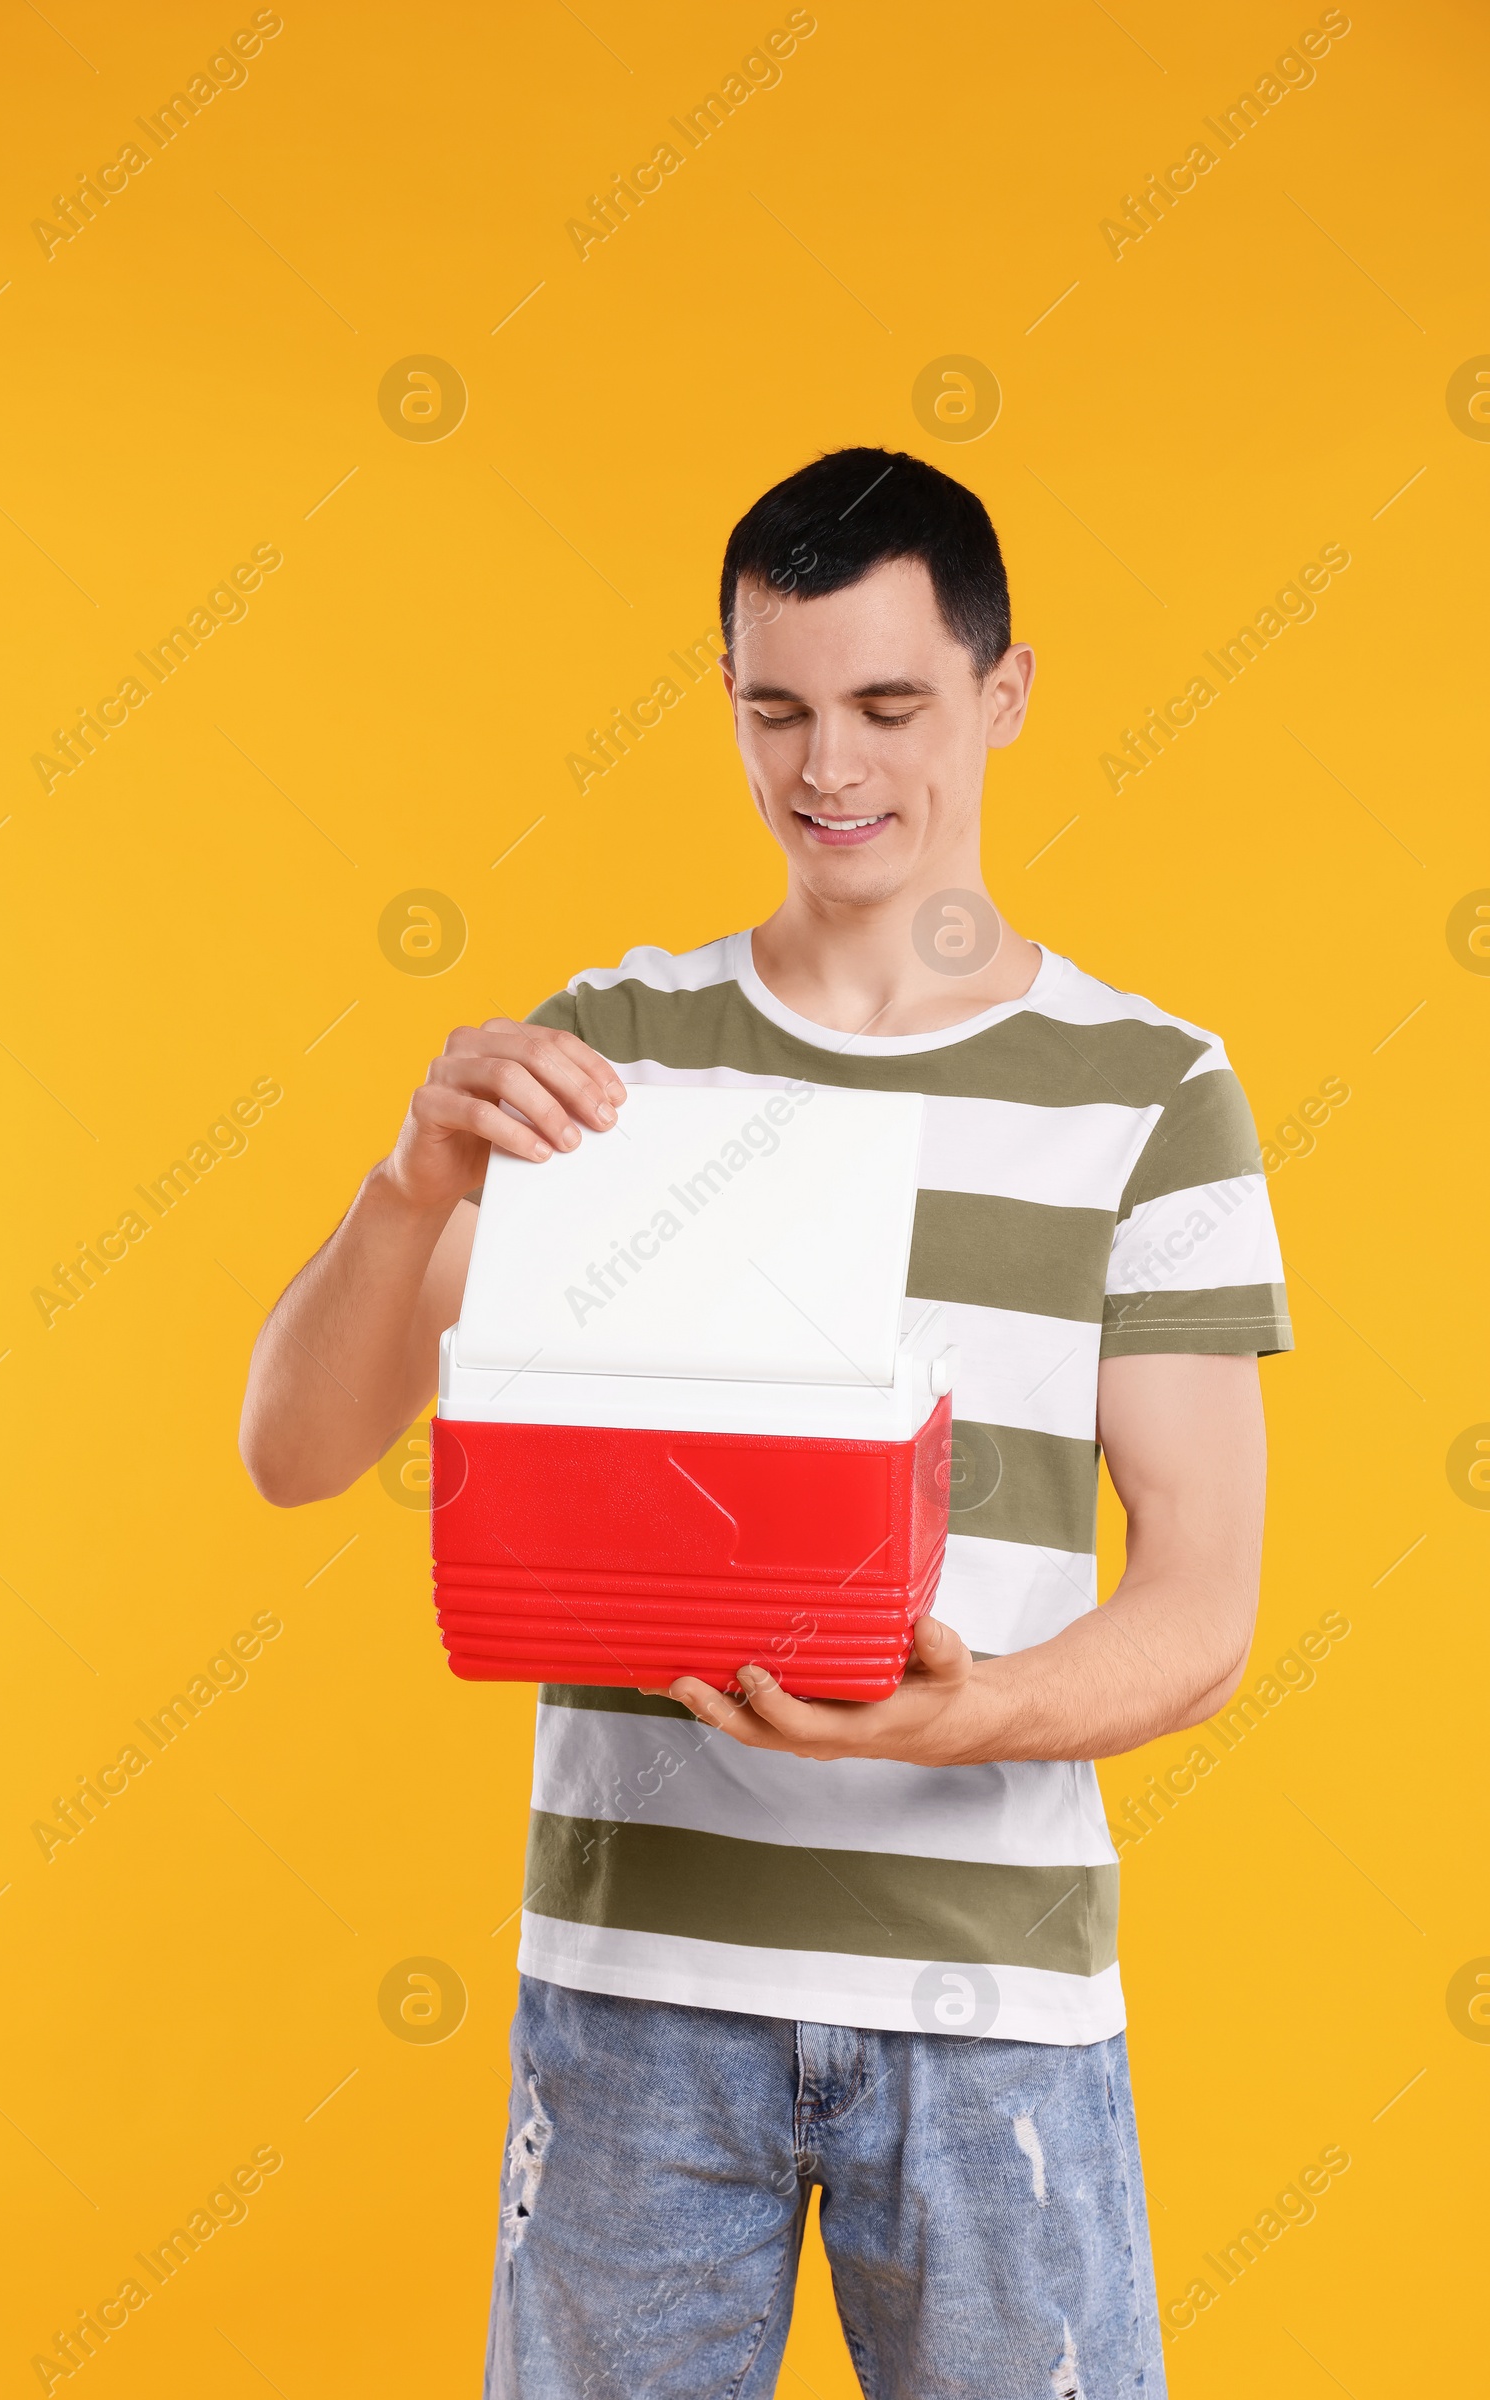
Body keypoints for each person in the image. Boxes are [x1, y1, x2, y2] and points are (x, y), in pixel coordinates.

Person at [239, 446, 1291, 2398]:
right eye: (774, 706)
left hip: (990, 2016)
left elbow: (1201, 1607)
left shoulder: (1151, 1095)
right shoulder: (607, 1057)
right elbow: (294, 1448)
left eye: (888, 705)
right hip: (634, 2004)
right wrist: (405, 1183)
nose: (830, 767)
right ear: (719, 692)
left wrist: (953, 1714)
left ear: (1000, 696)